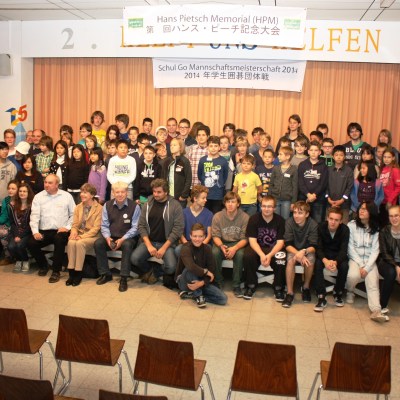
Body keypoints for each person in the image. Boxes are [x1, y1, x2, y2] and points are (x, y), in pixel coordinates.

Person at [130, 179, 184, 284]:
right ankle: (149, 270)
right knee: (134, 259)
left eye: (159, 192)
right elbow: (141, 226)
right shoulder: (147, 204)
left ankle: (156, 272)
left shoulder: (175, 205)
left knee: (171, 267)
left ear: (166, 192)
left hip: (167, 243)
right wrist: (149, 245)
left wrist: (164, 248)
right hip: (150, 242)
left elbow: (178, 229)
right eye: (154, 191)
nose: (155, 194)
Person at [28, 174, 75, 283]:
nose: (46, 185)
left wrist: (67, 227)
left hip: (61, 231)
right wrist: (35, 232)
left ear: (57, 184)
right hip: (45, 231)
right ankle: (43, 265)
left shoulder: (66, 196)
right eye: (45, 182)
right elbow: (34, 216)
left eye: (50, 183)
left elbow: (74, 214)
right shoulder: (38, 197)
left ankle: (56, 271)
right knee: (31, 243)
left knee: (59, 240)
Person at [346, 201, 388, 322]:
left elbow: (375, 250)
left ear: (371, 212)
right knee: (353, 275)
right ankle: (350, 291)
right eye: (360, 208)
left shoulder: (376, 228)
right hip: (355, 259)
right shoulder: (351, 225)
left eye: (365, 209)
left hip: (370, 261)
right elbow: (350, 248)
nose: (361, 210)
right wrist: (361, 265)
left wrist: (367, 267)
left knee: (373, 281)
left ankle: (376, 311)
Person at [95, 181, 141, 292]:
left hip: (128, 237)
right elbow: (104, 225)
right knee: (98, 243)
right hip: (112, 236)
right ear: (113, 193)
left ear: (127, 192)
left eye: (122, 192)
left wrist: (123, 239)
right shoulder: (107, 205)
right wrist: (107, 238)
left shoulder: (135, 206)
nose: (120, 194)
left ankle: (124, 278)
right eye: (117, 192)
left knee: (127, 245)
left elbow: (136, 228)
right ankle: (105, 274)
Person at [242, 195, 286, 301]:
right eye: (264, 206)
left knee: (281, 258)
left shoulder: (280, 220)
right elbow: (252, 241)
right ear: (261, 206)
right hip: (258, 247)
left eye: (270, 206)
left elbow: (280, 242)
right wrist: (262, 254)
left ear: (274, 208)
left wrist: (269, 255)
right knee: (248, 256)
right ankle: (251, 285)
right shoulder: (253, 219)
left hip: (274, 248)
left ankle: (278, 287)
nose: (266, 209)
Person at [175, 223, 227, 308]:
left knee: (223, 299)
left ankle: (193, 295)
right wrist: (206, 272)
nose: (197, 239)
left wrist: (202, 283)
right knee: (190, 270)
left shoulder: (207, 248)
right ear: (190, 236)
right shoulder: (185, 248)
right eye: (195, 236)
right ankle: (199, 296)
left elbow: (212, 269)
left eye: (200, 236)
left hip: (200, 281)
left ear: (204, 237)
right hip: (185, 281)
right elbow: (191, 267)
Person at [211, 191, 249, 294]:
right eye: (228, 202)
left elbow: (245, 239)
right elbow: (215, 236)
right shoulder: (217, 216)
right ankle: (218, 281)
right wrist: (221, 246)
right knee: (214, 252)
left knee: (240, 255)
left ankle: (236, 284)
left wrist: (235, 248)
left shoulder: (245, 217)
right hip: (222, 242)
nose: (230, 204)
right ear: (225, 203)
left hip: (238, 243)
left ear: (238, 204)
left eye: (233, 202)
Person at [283, 201, 318, 308]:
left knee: (310, 260)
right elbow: (287, 244)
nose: (296, 216)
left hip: (307, 250)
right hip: (293, 250)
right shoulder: (289, 222)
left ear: (307, 214)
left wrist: (304, 252)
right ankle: (289, 293)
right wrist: (298, 254)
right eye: (294, 212)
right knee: (290, 261)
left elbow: (314, 246)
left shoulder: (313, 224)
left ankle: (306, 287)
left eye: (300, 213)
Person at [313, 207, 350, 312]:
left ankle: (338, 292)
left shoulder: (345, 230)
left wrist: (336, 262)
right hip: (324, 255)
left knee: (344, 266)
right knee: (317, 264)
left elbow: (343, 250)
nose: (333, 222)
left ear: (341, 221)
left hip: (338, 256)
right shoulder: (320, 227)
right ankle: (321, 295)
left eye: (336, 220)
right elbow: (318, 248)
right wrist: (325, 260)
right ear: (327, 218)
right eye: (331, 219)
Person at [66, 183, 102, 287]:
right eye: (81, 192)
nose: (82, 194)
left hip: (93, 236)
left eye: (85, 192)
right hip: (80, 234)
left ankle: (78, 273)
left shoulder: (99, 208)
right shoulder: (78, 207)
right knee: (71, 242)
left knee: (79, 243)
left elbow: (96, 229)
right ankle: (71, 272)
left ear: (92, 195)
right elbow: (75, 224)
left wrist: (81, 237)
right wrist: (73, 232)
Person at [176, 185, 213, 259]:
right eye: (203, 198)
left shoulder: (209, 214)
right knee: (178, 250)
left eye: (206, 198)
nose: (206, 200)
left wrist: (200, 246)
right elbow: (180, 233)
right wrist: (187, 245)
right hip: (188, 242)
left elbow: (209, 235)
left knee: (207, 250)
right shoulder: (183, 213)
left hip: (203, 243)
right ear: (195, 198)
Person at [297, 141, 328, 224]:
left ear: (320, 152)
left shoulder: (324, 166)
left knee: (317, 223)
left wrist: (314, 195)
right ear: (308, 152)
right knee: (302, 222)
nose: (313, 153)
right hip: (304, 198)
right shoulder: (302, 165)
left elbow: (323, 183)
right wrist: (308, 195)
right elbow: (300, 182)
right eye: (311, 150)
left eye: (316, 150)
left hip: (318, 199)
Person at [378, 205, 400, 316]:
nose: (394, 218)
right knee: (391, 273)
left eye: (396, 215)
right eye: (391, 216)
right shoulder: (384, 231)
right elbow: (384, 253)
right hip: (386, 262)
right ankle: (382, 306)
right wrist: (396, 266)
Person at [198, 136, 228, 214]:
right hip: (205, 194)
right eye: (211, 146)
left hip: (218, 195)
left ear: (219, 147)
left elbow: (225, 176)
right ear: (207, 147)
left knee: (216, 215)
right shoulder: (203, 160)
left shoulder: (223, 161)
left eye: (215, 146)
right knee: (205, 215)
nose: (213, 148)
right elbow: (200, 175)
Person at [7, 183, 34, 273]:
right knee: (11, 246)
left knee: (19, 245)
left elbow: (31, 223)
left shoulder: (32, 205)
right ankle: (18, 260)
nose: (22, 193)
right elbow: (12, 222)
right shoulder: (12, 205)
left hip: (27, 232)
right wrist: (16, 235)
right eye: (20, 191)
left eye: (24, 191)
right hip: (15, 231)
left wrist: (20, 235)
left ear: (28, 193)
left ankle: (26, 260)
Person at [326, 145, 354, 224]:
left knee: (343, 225)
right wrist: (328, 198)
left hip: (344, 205)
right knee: (330, 224)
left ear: (344, 157)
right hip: (330, 204)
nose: (338, 157)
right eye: (336, 155)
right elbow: (325, 186)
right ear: (333, 156)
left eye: (341, 155)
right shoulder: (328, 169)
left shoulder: (349, 170)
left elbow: (349, 187)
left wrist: (342, 200)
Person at [269, 146, 298, 220]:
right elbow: (271, 183)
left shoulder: (294, 169)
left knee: (285, 219)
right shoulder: (276, 168)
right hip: (275, 199)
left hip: (287, 200)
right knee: (275, 219)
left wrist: (293, 202)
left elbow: (295, 186)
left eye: (280, 154)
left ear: (288, 156)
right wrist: (269, 198)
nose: (278, 156)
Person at [162, 138, 192, 208]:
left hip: (180, 197)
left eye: (174, 145)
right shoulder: (166, 161)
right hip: (168, 196)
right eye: (171, 145)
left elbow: (188, 179)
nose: (172, 147)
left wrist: (184, 195)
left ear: (180, 147)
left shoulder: (185, 161)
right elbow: (163, 178)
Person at [379, 149, 400, 227]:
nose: (386, 159)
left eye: (389, 157)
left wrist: (390, 201)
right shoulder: (382, 169)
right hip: (382, 201)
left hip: (391, 202)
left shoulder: (395, 170)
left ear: (393, 158)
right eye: (384, 157)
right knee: (382, 225)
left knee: (390, 224)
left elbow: (398, 187)